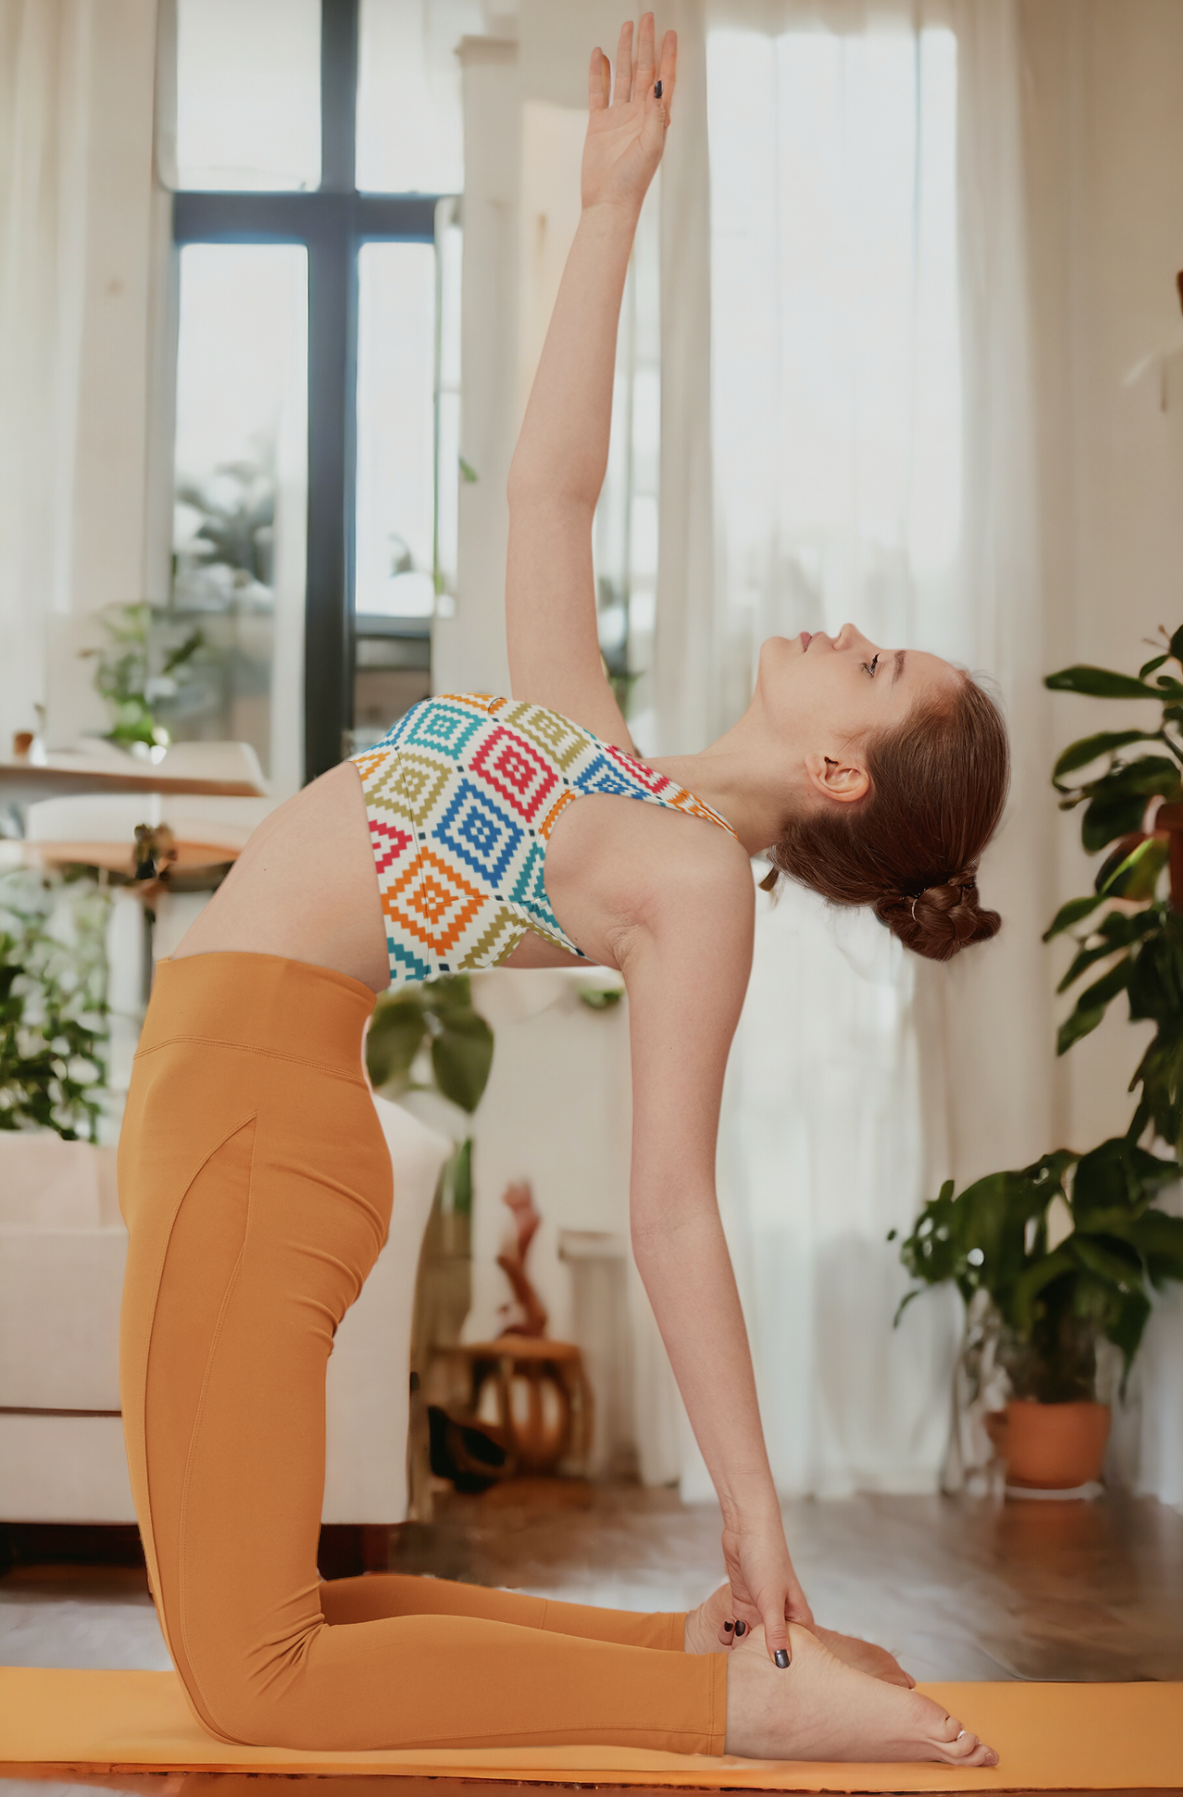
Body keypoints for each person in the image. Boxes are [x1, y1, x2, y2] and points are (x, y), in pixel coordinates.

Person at [118, 14, 1005, 1768]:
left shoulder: (691, 883)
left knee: (250, 1683)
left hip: (256, 1121)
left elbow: (670, 1210)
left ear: (843, 773)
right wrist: (608, 202)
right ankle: (703, 1657)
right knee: (283, 1631)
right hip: (238, 1107)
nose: (839, 626)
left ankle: (729, 1705)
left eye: (875, 660)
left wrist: (753, 1511)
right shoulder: (613, 771)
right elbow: (545, 485)